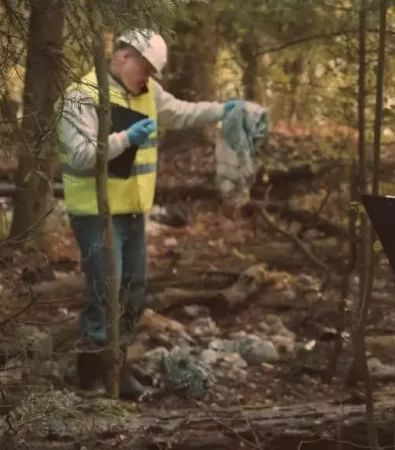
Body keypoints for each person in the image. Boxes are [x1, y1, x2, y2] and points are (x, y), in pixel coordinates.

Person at [56, 28, 244, 400]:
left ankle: (117, 362)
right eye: (145, 68)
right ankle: (94, 371)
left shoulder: (149, 92)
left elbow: (180, 112)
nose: (148, 77)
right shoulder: (83, 95)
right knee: (105, 290)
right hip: (96, 213)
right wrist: (126, 139)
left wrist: (222, 110)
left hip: (133, 211)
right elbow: (80, 155)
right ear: (123, 57)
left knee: (133, 291)